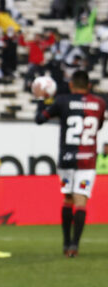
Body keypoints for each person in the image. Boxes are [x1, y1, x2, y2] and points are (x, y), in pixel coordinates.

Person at [36, 69, 106, 256]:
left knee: (67, 198)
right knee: (80, 201)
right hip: (87, 162)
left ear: (71, 85)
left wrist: (41, 99)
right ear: (89, 85)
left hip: (67, 161)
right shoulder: (99, 103)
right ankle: (74, 246)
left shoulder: (62, 101)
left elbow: (40, 119)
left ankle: (66, 243)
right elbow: (97, 126)